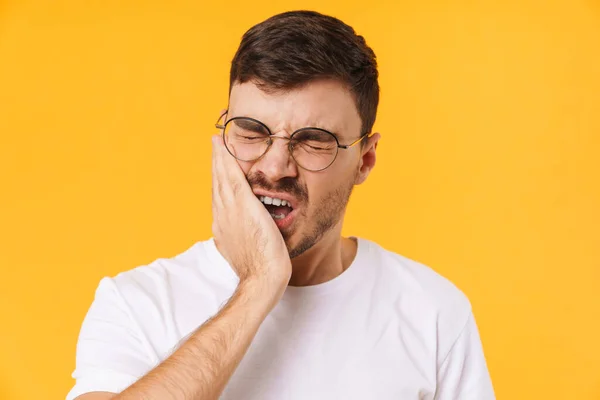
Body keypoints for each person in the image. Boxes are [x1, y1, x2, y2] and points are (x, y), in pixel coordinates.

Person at [67, 10, 495, 400]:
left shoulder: (433, 312)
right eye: (251, 131)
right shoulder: (138, 302)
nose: (274, 167)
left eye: (313, 140)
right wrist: (259, 284)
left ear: (364, 159)